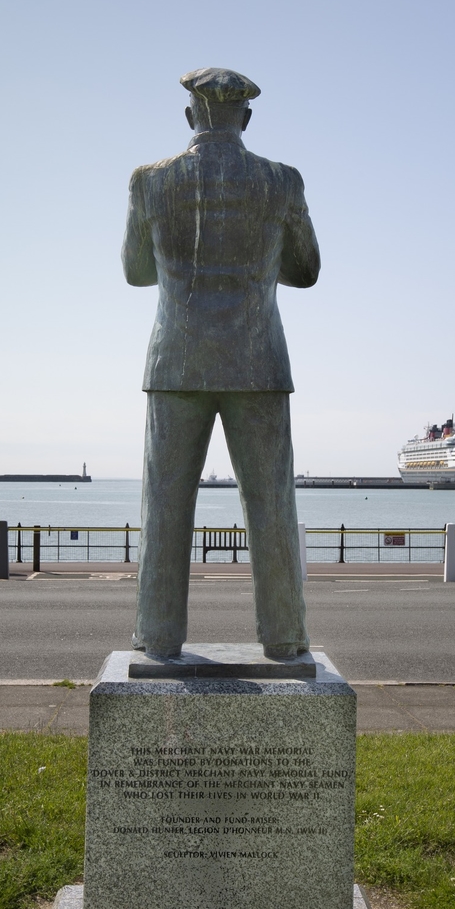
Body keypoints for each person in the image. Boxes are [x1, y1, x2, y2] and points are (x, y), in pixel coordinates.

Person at [123, 67, 320, 660]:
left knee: (165, 504)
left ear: (190, 118)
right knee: (272, 506)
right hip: (258, 362)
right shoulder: (280, 182)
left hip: (176, 363)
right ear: (247, 118)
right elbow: (307, 270)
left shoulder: (150, 181)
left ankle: (157, 637)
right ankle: (285, 638)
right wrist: (257, 262)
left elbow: (136, 271)